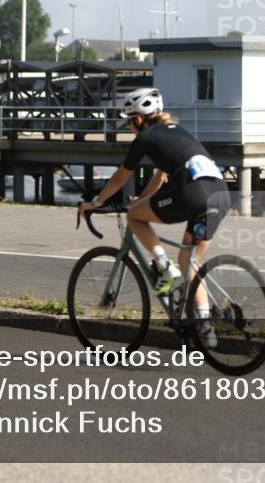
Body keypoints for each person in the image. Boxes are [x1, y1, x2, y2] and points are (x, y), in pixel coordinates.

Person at [78, 88, 230, 346]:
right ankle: (205, 327)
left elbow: (120, 177)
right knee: (188, 261)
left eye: (129, 123)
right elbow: (160, 177)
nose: (130, 129)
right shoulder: (179, 132)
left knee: (134, 218)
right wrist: (141, 201)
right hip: (219, 195)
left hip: (191, 194)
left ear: (138, 119)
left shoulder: (146, 137)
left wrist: (96, 202)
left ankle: (162, 266)